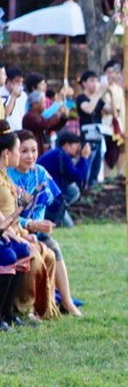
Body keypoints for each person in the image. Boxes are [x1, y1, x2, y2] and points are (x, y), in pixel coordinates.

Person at [11, 130, 79, 317]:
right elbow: (6, 215)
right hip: (15, 230)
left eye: (34, 150)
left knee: (53, 247)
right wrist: (30, 225)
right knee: (39, 252)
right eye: (24, 151)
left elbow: (42, 203)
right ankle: (30, 305)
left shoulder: (40, 173)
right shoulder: (7, 175)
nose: (30, 156)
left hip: (34, 229)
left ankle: (66, 301)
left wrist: (40, 224)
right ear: (14, 151)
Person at [0, 123, 57, 323]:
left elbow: (12, 217)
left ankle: (40, 308)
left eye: (34, 150)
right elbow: (3, 220)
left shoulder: (6, 177)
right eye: (20, 150)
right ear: (8, 154)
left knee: (48, 253)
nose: (29, 155)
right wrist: (23, 230)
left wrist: (25, 230)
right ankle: (16, 309)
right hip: (8, 234)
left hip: (16, 231)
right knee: (22, 255)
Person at [38, 133, 90, 228]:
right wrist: (84, 158)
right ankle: (55, 216)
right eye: (77, 146)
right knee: (69, 226)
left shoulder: (58, 153)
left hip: (50, 193)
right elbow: (78, 176)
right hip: (47, 197)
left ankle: (60, 212)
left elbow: (74, 176)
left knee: (73, 190)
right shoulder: (61, 155)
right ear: (67, 145)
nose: (79, 149)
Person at [22, 80, 72, 155]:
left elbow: (51, 127)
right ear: (35, 104)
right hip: (32, 149)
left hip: (40, 148)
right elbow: (44, 125)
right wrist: (58, 114)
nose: (45, 105)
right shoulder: (30, 116)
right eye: (43, 102)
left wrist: (63, 118)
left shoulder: (38, 115)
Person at [75, 70, 107, 188]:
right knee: (87, 163)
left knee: (97, 165)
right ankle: (83, 188)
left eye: (96, 81)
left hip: (98, 135)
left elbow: (110, 110)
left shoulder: (97, 99)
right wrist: (98, 94)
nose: (95, 84)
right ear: (84, 83)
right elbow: (88, 109)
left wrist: (110, 93)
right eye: (91, 81)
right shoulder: (81, 98)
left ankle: (92, 188)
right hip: (87, 137)